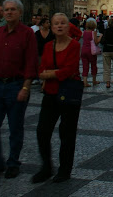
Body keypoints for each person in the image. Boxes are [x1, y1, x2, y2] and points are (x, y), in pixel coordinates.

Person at [0, 0, 38, 179]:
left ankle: (13, 162)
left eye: (13, 10)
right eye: (6, 10)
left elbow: (31, 62)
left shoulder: (27, 33)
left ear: (20, 13)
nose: (9, 13)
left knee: (15, 127)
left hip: (16, 85)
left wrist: (26, 87)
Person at [32, 13, 82, 183]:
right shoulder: (47, 47)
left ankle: (64, 169)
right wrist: (50, 74)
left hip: (69, 94)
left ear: (68, 27)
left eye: (63, 23)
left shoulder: (74, 46)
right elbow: (41, 69)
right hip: (50, 94)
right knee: (42, 131)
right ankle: (46, 166)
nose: (59, 26)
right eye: (56, 24)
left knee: (66, 134)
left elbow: (70, 70)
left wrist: (50, 74)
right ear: (51, 27)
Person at [81, 18, 101, 87]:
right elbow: (96, 42)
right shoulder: (93, 32)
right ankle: (94, 80)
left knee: (85, 66)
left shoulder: (84, 32)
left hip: (83, 50)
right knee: (93, 65)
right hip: (91, 51)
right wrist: (100, 37)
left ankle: (85, 81)